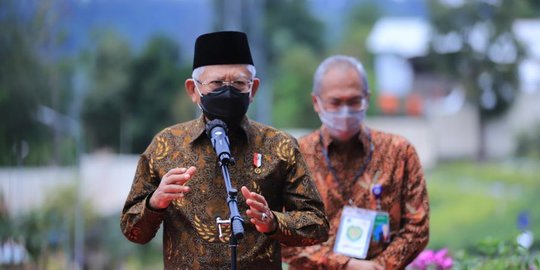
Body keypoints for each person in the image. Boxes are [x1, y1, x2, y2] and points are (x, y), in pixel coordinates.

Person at [120, 31, 329, 269]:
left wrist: (273, 222)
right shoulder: (166, 146)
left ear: (253, 89)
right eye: (217, 83)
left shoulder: (279, 146)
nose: (228, 92)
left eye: (239, 83)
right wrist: (155, 203)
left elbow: (318, 225)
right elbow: (132, 231)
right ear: (193, 90)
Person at [282, 55, 429, 270]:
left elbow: (418, 226)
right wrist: (346, 265)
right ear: (316, 102)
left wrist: (378, 267)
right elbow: (282, 232)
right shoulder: (294, 156)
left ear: (367, 99)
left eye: (353, 101)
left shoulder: (399, 152)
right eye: (335, 102)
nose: (345, 111)